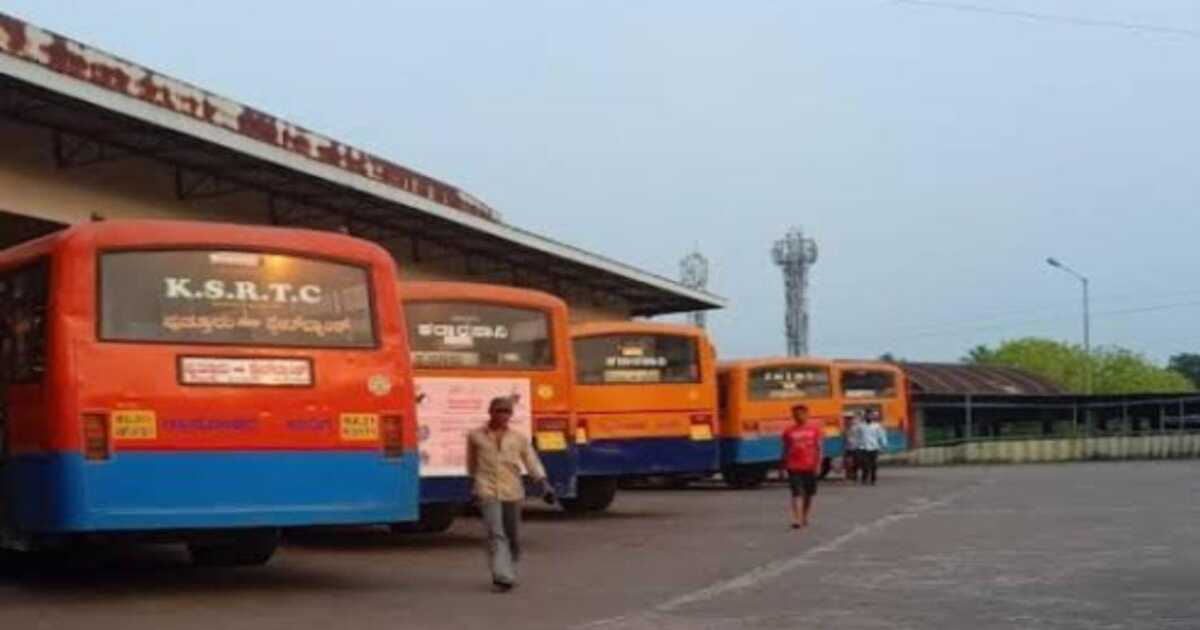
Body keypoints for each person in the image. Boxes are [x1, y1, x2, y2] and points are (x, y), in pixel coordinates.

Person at [466, 396, 554, 592]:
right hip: (486, 489)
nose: (503, 415)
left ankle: (509, 562)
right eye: (499, 411)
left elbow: (532, 462)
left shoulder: (518, 438)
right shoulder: (475, 436)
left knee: (511, 535)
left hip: (512, 490)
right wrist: (473, 486)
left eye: (507, 412)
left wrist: (544, 484)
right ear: (490, 412)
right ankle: (502, 575)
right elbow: (472, 463)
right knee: (496, 534)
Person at [780, 403, 823, 529]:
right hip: (793, 466)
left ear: (807, 415)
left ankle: (804, 516)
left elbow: (819, 448)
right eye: (796, 414)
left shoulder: (815, 430)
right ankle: (797, 519)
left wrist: (818, 464)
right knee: (796, 493)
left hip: (810, 465)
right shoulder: (788, 432)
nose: (799, 416)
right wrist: (782, 466)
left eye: (802, 414)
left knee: (809, 494)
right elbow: (785, 449)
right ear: (793, 416)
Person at [859, 410, 888, 486]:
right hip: (863, 448)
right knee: (865, 464)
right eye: (867, 415)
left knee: (874, 465)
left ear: (872, 416)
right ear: (865, 416)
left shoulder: (877, 426)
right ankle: (864, 478)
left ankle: (873, 480)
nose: (869, 417)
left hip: (874, 447)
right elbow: (857, 436)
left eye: (870, 415)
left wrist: (884, 444)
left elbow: (882, 435)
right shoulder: (861, 426)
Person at [842, 411, 862, 481]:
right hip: (847, 448)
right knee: (847, 462)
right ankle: (848, 475)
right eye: (846, 418)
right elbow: (843, 437)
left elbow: (861, 435)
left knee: (856, 462)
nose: (848, 419)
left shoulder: (857, 427)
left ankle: (854, 474)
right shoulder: (844, 427)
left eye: (849, 418)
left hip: (856, 447)